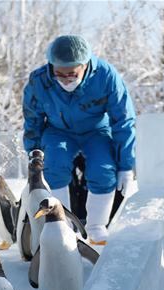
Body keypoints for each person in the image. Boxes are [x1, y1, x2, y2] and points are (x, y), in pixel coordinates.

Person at [22, 34, 136, 245]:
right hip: (58, 131)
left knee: (104, 169)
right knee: (53, 165)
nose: (65, 80)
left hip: (96, 130)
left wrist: (126, 166)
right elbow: (32, 121)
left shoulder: (106, 75)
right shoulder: (39, 81)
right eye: (59, 74)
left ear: (84, 65)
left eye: (71, 74)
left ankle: (97, 226)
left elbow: (123, 120)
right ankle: (63, 224)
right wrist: (34, 159)